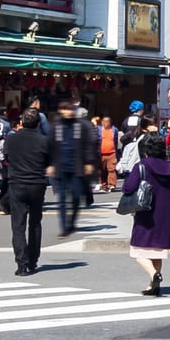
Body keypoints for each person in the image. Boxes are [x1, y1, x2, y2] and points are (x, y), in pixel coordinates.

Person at [120, 133, 170, 297]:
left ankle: (154, 275)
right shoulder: (169, 167)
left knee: (138, 251)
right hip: (164, 213)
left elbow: (128, 187)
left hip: (145, 212)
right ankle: (152, 285)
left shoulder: (142, 165)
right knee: (157, 252)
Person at [0, 110, 51, 274]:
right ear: (38, 124)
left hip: (17, 183)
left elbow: (6, 158)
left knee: (18, 225)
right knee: (35, 223)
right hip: (37, 183)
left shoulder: (11, 139)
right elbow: (49, 161)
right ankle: (33, 259)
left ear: (21, 122)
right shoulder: (44, 140)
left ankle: (22, 264)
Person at [49, 97, 96, 237]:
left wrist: (89, 162)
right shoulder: (56, 126)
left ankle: (72, 221)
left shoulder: (80, 125)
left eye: (71, 109)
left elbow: (88, 144)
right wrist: (50, 164)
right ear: (60, 111)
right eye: (66, 109)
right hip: (60, 166)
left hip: (77, 166)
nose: (69, 112)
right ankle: (64, 227)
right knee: (62, 198)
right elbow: (50, 146)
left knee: (76, 195)